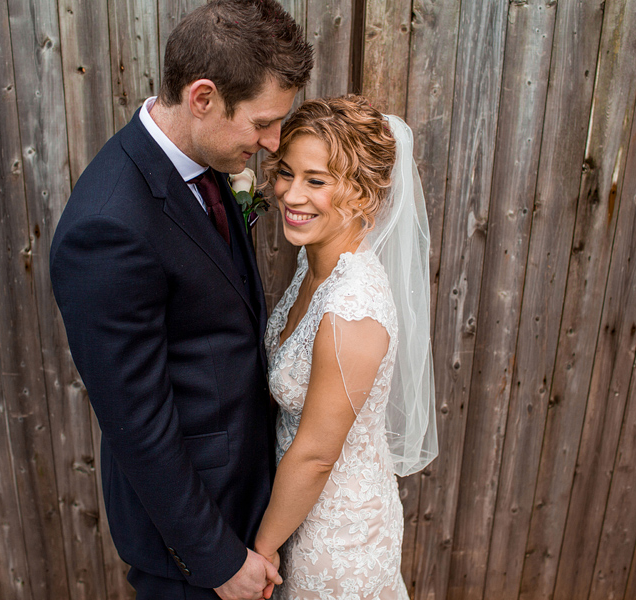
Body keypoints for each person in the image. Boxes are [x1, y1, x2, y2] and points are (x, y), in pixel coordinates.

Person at [49, 1, 313, 598]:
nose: (273, 143)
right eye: (263, 122)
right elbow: (136, 424)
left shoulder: (204, 159)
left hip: (248, 499)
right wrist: (217, 560)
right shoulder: (107, 227)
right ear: (202, 98)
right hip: (193, 549)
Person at [254, 96, 438, 599]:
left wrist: (263, 548)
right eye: (286, 173)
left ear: (363, 194)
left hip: (337, 538)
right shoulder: (314, 266)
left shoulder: (353, 308)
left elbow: (315, 454)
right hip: (298, 511)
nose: (291, 194)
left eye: (316, 180)